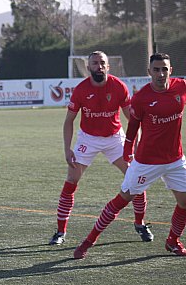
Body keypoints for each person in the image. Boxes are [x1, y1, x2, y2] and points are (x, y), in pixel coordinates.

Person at [74, 53, 186, 259]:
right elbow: (133, 127)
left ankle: (172, 241)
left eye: (164, 69)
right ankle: (88, 241)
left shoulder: (181, 87)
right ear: (149, 72)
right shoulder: (142, 98)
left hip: (175, 160)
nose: (161, 74)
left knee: (184, 202)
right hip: (146, 162)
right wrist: (127, 151)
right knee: (123, 199)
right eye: (156, 69)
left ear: (170, 70)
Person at [49, 51, 152, 246]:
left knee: (136, 177)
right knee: (71, 179)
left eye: (102, 63)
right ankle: (60, 231)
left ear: (108, 66)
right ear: (88, 67)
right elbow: (69, 121)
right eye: (95, 63)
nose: (99, 66)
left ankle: (140, 224)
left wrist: (137, 143)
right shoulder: (80, 90)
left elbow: (132, 119)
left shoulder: (119, 86)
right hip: (87, 139)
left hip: (115, 139)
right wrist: (67, 149)